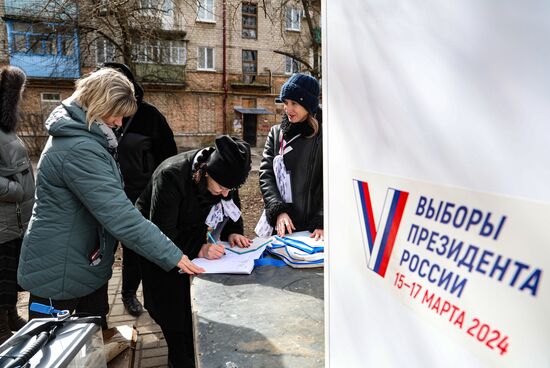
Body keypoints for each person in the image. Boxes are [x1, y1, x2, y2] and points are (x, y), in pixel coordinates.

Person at [17, 68, 203, 329]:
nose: (118, 123)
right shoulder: (79, 148)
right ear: (98, 104)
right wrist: (174, 255)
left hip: (80, 264)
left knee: (92, 342)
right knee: (59, 350)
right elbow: (119, 215)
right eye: (116, 115)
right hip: (61, 273)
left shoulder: (86, 137)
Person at [136, 135, 252, 368]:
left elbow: (230, 205)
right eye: (221, 187)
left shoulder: (224, 177)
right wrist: (199, 248)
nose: (226, 193)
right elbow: (162, 234)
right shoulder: (171, 176)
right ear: (207, 172)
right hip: (159, 249)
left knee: (193, 315)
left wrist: (233, 231)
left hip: (190, 239)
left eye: (231, 188)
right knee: (176, 321)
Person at [101, 62, 178, 317]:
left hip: (139, 196)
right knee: (100, 252)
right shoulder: (96, 118)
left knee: (134, 249)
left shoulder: (149, 116)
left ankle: (128, 293)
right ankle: (98, 306)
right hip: (104, 196)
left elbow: (168, 157)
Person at [257, 73, 323, 240]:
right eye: (285, 103)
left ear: (308, 105)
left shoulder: (325, 136)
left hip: (313, 230)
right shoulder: (276, 132)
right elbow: (266, 175)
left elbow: (332, 181)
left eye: (294, 103)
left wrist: (322, 220)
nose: (288, 109)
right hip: (282, 225)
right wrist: (278, 211)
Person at [0, 66, 34, 344]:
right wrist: (15, 189)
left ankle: (11, 316)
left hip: (13, 220)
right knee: (0, 279)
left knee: (9, 277)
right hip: (3, 220)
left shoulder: (4, 128)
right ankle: (0, 329)